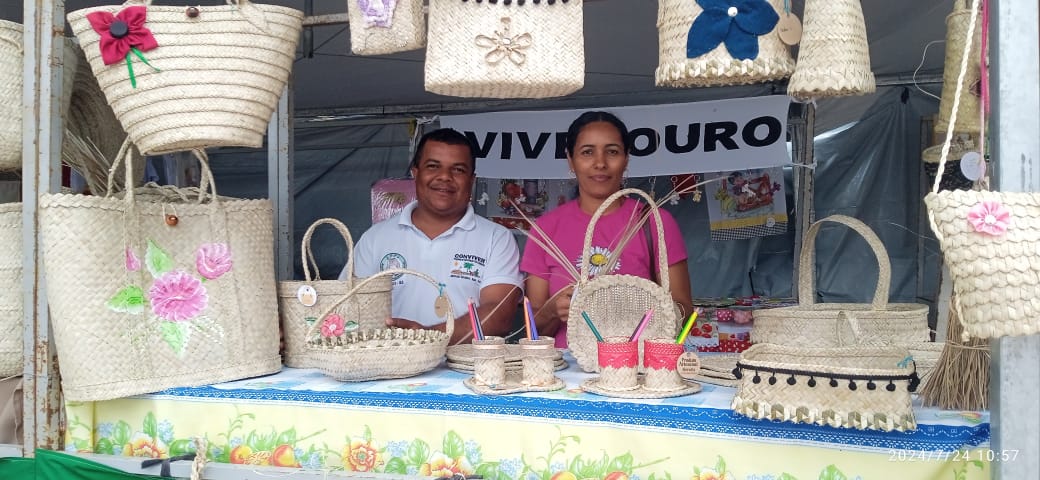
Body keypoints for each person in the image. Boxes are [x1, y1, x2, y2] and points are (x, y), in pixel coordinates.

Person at [520, 111, 694, 347]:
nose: (600, 163)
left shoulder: (654, 221)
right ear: (570, 160)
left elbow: (684, 311)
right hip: (565, 371)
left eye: (612, 151)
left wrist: (639, 306)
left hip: (636, 365)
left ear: (626, 159)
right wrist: (552, 310)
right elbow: (531, 328)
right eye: (587, 152)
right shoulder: (546, 228)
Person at [343, 128, 524, 344]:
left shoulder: (496, 238)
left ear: (472, 180)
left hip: (468, 371)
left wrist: (428, 338)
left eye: (457, 169)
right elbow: (347, 305)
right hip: (390, 368)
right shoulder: (375, 238)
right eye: (433, 166)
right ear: (415, 172)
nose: (445, 177)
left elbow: (499, 316)